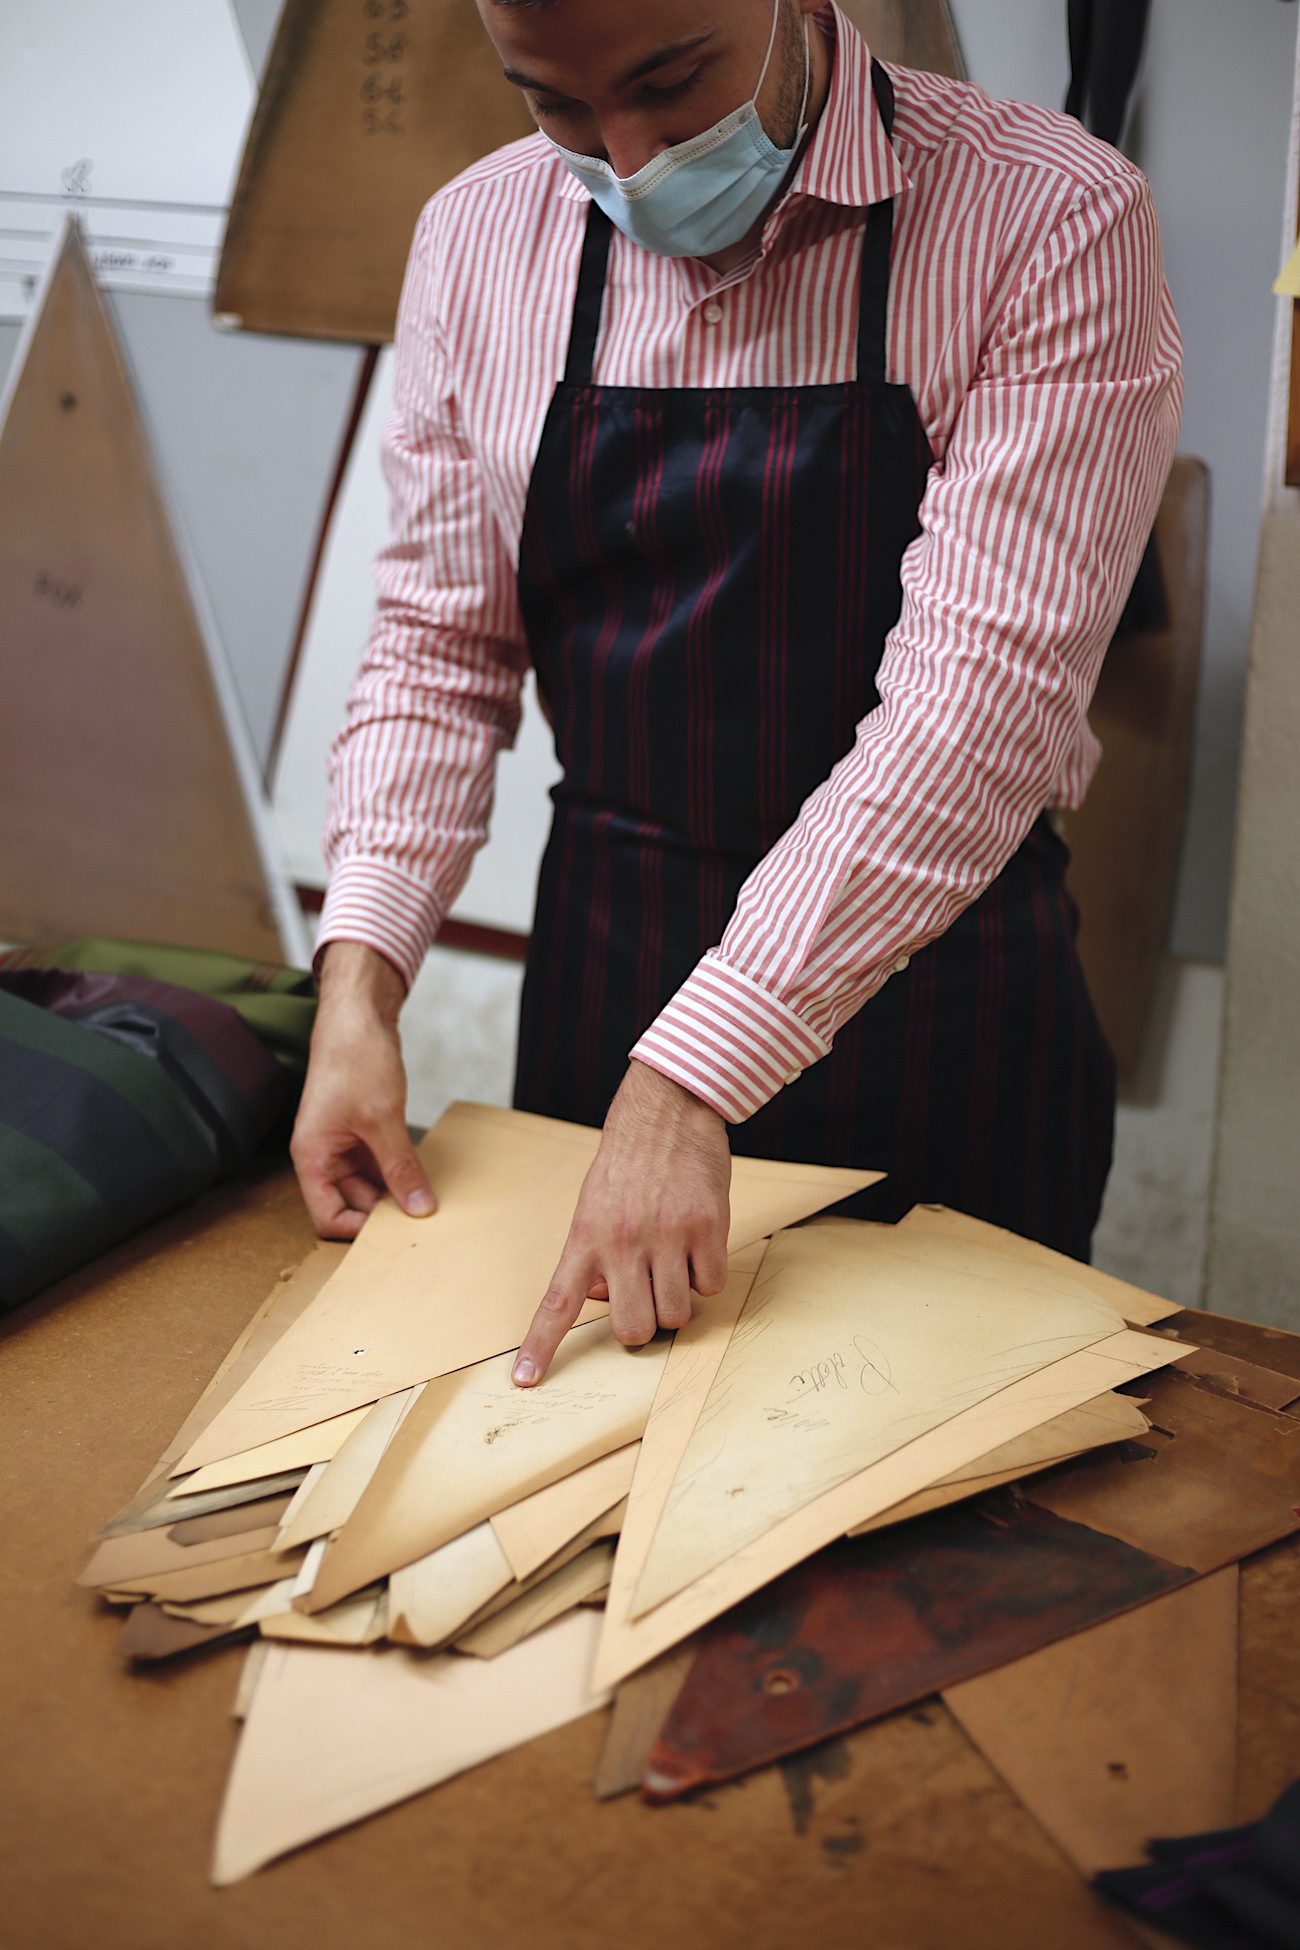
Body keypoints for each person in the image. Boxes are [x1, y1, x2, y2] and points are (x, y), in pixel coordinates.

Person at [291, 0, 1181, 1385]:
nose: (632, 164)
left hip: (941, 1011)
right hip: (605, 982)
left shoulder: (1045, 217)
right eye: (559, 108)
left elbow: (979, 706)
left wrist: (698, 1069)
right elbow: (436, 645)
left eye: (672, 85)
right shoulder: (476, 239)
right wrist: (359, 983)